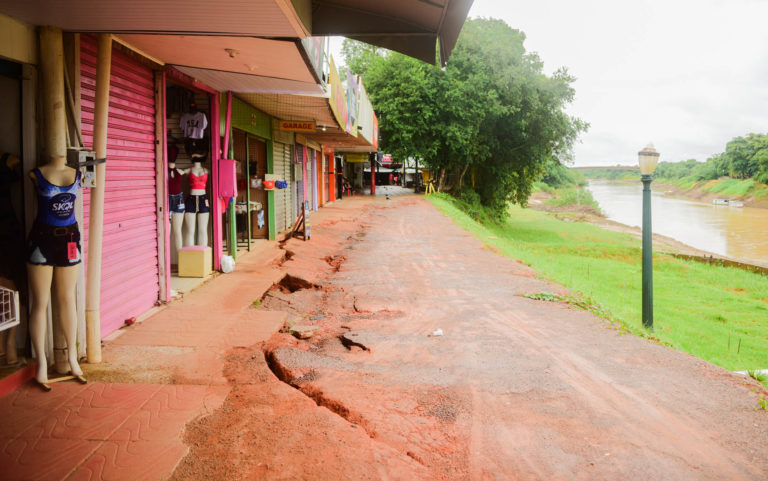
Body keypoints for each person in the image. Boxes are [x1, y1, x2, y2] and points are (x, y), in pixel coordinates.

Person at [26, 154, 87, 391]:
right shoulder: (37, 174)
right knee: (40, 302)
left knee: (67, 298)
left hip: (69, 239)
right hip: (41, 239)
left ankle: (72, 357)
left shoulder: (77, 174)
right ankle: (41, 361)